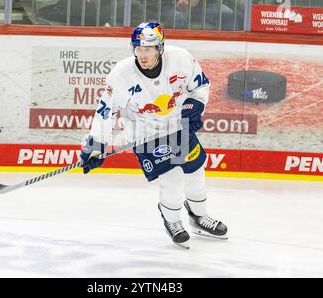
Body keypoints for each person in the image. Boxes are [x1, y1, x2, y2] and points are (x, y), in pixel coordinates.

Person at [80, 22, 228, 249]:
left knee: (195, 172)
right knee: (173, 177)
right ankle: (172, 220)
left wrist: (194, 106)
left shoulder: (181, 59)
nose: (143, 54)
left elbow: (200, 87)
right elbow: (106, 111)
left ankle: (199, 217)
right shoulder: (122, 74)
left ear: (160, 48)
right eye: (138, 49)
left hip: (177, 124)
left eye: (148, 49)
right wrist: (96, 146)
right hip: (144, 131)